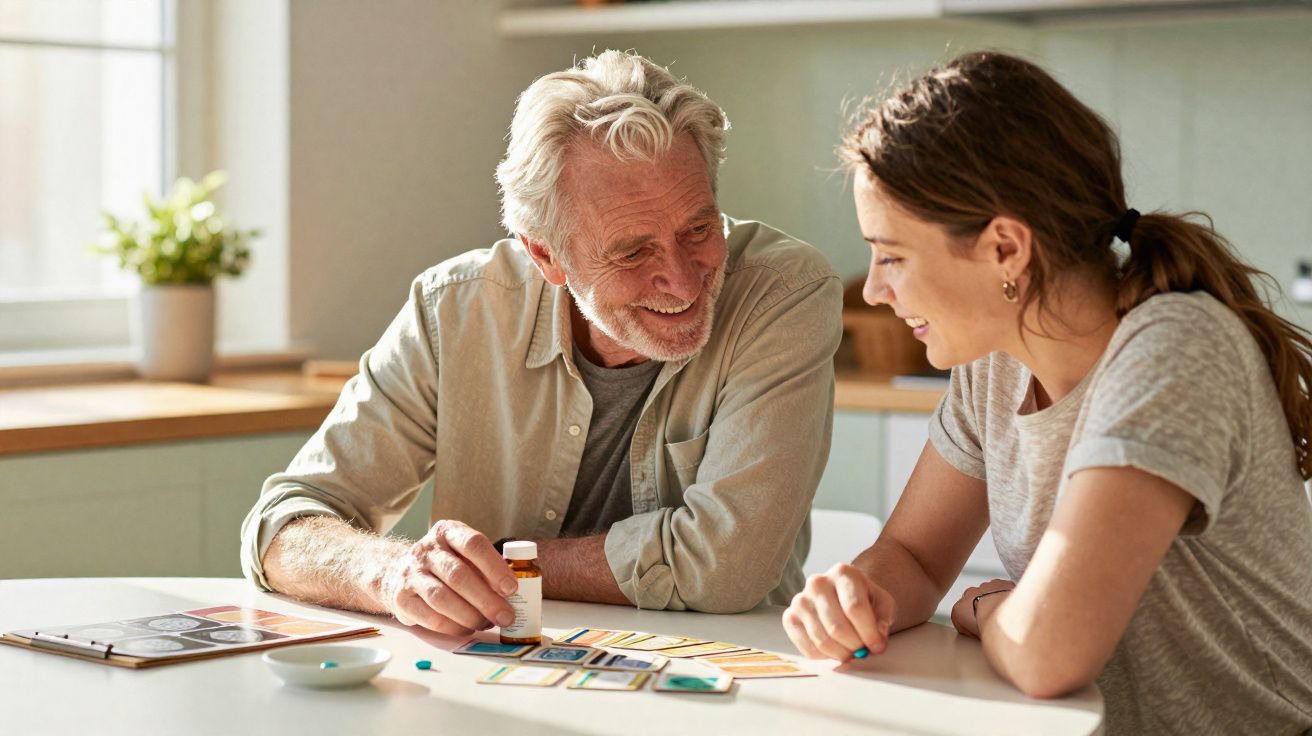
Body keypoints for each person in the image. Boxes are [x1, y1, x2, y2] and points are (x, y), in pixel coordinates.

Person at [783, 51, 1312, 735]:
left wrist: (985, 610)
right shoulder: (995, 364)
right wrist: (857, 595)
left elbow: (1047, 654)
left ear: (1007, 248)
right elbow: (914, 556)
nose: (876, 289)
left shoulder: (1174, 351)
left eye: (893, 256)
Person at [240, 50, 842, 636]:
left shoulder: (784, 291)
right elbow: (282, 527)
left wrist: (503, 566)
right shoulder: (454, 308)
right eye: (633, 251)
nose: (684, 280)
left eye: (699, 228)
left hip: (729, 682)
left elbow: (725, 567)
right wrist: (393, 572)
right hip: (492, 684)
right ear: (545, 255)